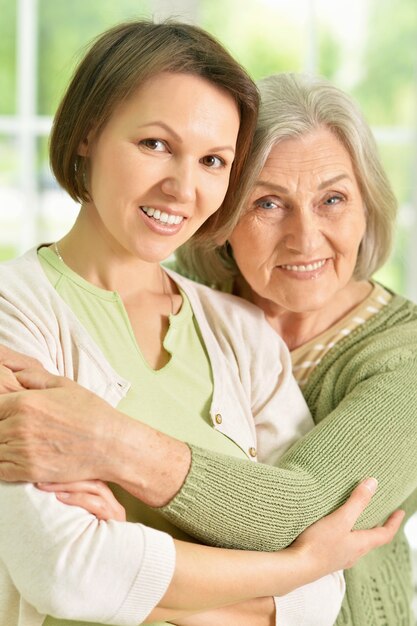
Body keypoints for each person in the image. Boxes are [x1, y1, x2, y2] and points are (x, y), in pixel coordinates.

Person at [0, 21, 401, 626]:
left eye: (213, 160)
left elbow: (323, 597)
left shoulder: (241, 333)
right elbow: (67, 569)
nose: (182, 187)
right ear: (86, 135)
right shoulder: (17, 315)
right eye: (155, 144)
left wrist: (115, 478)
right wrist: (297, 566)